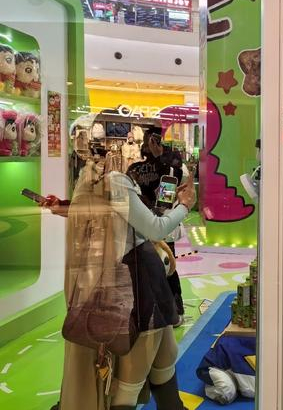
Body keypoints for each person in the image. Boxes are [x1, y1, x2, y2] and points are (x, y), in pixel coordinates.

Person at [43, 149, 196, 410]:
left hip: (123, 281)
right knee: (132, 378)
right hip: (139, 284)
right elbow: (155, 228)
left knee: (164, 359)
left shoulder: (92, 181)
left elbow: (104, 215)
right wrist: (185, 205)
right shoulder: (116, 182)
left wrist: (64, 207)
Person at [128, 129, 186, 325]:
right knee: (155, 268)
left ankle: (173, 310)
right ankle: (163, 311)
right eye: (150, 140)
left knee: (166, 266)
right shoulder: (136, 168)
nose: (153, 143)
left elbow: (167, 197)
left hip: (160, 223)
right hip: (148, 223)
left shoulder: (170, 166)